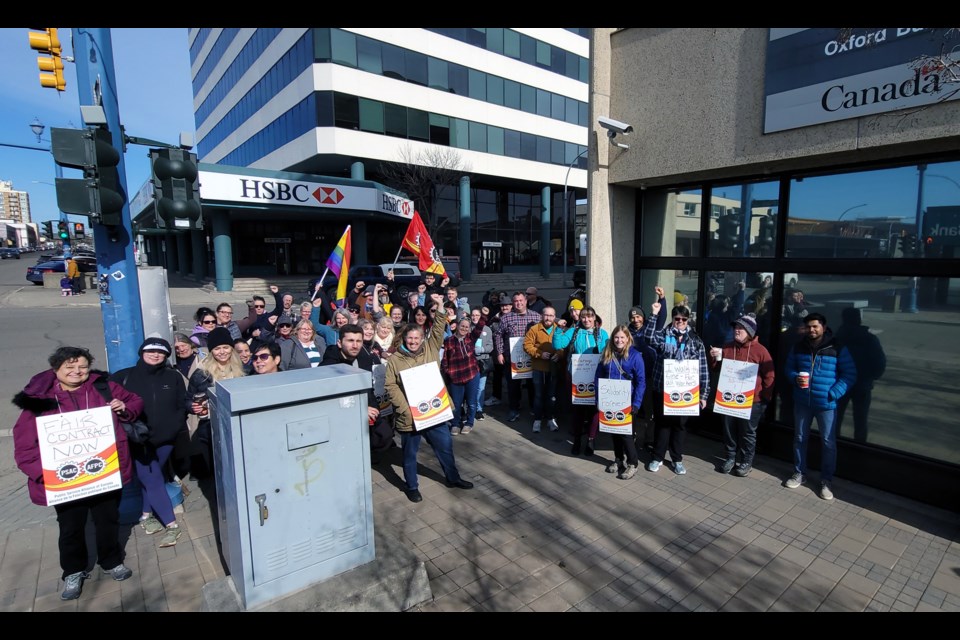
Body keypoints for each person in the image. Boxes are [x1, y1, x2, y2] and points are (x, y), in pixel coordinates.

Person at [13, 346, 143, 601]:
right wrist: (43, 474)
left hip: (102, 474)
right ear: (56, 370)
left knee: (107, 520)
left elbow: (135, 402)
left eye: (82, 366)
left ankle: (111, 560)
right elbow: (25, 445)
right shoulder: (39, 399)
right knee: (71, 527)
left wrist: (122, 405)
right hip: (64, 481)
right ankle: (73, 571)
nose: (77, 371)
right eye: (69, 367)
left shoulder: (102, 387)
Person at [384, 293, 473, 503]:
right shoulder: (395, 359)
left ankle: (453, 478)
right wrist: (406, 409)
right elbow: (390, 385)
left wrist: (441, 304)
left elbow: (440, 326)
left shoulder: (430, 349)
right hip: (410, 416)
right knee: (409, 454)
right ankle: (412, 486)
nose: (413, 341)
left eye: (417, 338)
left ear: (422, 338)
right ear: (405, 339)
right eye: (410, 338)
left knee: (445, 447)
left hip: (435, 411)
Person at [111, 337, 187, 548]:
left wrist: (177, 424)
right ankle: (172, 526)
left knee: (150, 480)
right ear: (142, 352)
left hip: (166, 440)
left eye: (161, 352)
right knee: (153, 479)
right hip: (137, 440)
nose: (156, 355)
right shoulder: (123, 376)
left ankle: (146, 514)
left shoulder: (173, 377)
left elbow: (182, 403)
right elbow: (105, 398)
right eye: (151, 351)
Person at [783, 313, 857, 501]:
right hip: (802, 402)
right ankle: (799, 473)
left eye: (815, 326)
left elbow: (849, 374)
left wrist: (833, 393)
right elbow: (788, 368)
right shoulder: (799, 346)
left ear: (823, 327)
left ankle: (826, 480)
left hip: (826, 404)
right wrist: (794, 378)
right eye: (808, 327)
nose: (812, 330)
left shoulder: (837, 347)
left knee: (828, 442)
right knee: (799, 438)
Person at [643, 301, 710, 475]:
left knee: (680, 426)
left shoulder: (695, 341)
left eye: (683, 319)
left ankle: (677, 459)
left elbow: (703, 369)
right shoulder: (664, 335)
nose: (680, 322)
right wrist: (654, 314)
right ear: (672, 319)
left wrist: (704, 394)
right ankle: (657, 457)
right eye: (677, 319)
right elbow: (649, 337)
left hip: (685, 392)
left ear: (688, 321)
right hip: (662, 389)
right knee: (662, 425)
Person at [709, 315, 775, 477]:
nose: (736, 330)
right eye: (735, 327)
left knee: (748, 432)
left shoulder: (761, 351)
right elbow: (716, 369)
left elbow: (770, 376)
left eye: (741, 328)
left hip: (752, 401)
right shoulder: (728, 347)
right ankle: (730, 457)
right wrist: (713, 357)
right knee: (729, 429)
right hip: (728, 398)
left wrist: (764, 398)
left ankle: (746, 461)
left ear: (750, 332)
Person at [321, 323, 394, 459]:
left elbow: (368, 386)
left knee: (385, 435)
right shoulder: (331, 361)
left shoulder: (364, 357)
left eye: (358, 341)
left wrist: (374, 409)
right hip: (340, 411)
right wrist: (360, 409)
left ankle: (368, 457)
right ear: (339, 343)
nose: (355, 345)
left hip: (365, 405)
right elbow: (332, 393)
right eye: (350, 341)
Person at [186, 327, 247, 477]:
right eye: (217, 348)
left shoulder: (242, 370)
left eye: (226, 347)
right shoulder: (201, 374)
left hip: (237, 427)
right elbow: (187, 399)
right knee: (218, 474)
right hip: (210, 430)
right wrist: (192, 407)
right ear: (211, 351)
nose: (222, 352)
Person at [553, 305, 609, 456]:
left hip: (595, 377)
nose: (586, 319)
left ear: (595, 318)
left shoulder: (602, 334)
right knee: (578, 410)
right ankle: (577, 439)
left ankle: (591, 439)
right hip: (577, 376)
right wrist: (558, 330)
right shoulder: (573, 331)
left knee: (594, 410)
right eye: (583, 316)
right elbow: (558, 344)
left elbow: (608, 353)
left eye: (590, 316)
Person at [595, 324, 646, 479]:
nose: (619, 340)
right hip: (610, 399)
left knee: (626, 435)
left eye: (622, 337)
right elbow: (598, 377)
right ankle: (618, 459)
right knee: (614, 432)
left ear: (627, 338)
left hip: (628, 401)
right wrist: (599, 398)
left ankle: (633, 463)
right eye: (616, 337)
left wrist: (636, 403)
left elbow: (641, 381)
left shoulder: (635, 355)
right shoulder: (607, 353)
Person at [834, 307, 886, 444]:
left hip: (840, 383)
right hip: (862, 383)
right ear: (859, 319)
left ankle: (833, 443)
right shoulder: (869, 338)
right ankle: (859, 446)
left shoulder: (836, 337)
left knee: (836, 417)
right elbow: (879, 362)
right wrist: (872, 377)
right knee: (861, 419)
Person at [494, 291, 542, 422]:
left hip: (531, 357)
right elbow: (498, 335)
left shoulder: (536, 317)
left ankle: (534, 408)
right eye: (516, 301)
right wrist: (499, 352)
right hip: (512, 357)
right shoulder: (506, 318)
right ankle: (514, 409)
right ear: (513, 303)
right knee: (513, 385)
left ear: (526, 301)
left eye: (521, 300)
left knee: (532, 384)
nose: (518, 303)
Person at [441, 311, 487, 435]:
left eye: (467, 327)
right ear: (457, 326)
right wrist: (447, 372)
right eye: (462, 326)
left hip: (472, 374)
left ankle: (469, 423)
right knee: (456, 403)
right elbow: (445, 359)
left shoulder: (470, 338)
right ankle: (455, 424)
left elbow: (479, 328)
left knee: (471, 403)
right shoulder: (449, 340)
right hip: (455, 376)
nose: (464, 328)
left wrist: (483, 316)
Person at [523, 305, 560, 433]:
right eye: (546, 315)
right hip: (539, 368)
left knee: (551, 396)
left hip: (553, 368)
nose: (548, 318)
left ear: (555, 317)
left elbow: (564, 346)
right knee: (538, 395)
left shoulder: (559, 329)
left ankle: (550, 419)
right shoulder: (534, 329)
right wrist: (539, 353)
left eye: (551, 315)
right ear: (541, 316)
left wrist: (559, 354)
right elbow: (527, 345)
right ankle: (537, 419)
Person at [484, 295, 514, 408]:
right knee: (497, 376)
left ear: (511, 306)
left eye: (507, 305)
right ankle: (496, 397)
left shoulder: (515, 317)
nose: (504, 308)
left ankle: (515, 401)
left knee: (513, 379)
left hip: (513, 353)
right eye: (502, 306)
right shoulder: (495, 319)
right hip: (498, 353)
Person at [471, 306, 494, 420]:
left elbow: (491, 346)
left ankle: (479, 409)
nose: (474, 317)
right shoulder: (468, 327)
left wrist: (482, 350)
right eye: (473, 315)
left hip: (483, 362)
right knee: (471, 388)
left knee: (481, 387)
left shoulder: (487, 329)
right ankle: (471, 409)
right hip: (471, 362)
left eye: (477, 315)